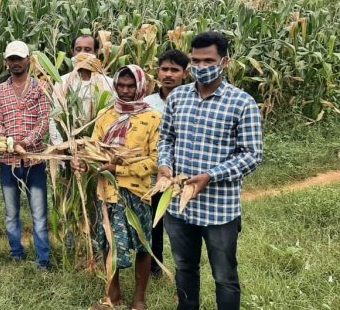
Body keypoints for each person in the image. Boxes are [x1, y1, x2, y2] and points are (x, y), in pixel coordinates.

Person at [159, 31, 263, 310]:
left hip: (220, 210)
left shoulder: (242, 103)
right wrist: (164, 166)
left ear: (224, 62)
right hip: (179, 207)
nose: (201, 67)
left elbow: (252, 155)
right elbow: (166, 139)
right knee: (184, 268)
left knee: (224, 276)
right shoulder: (178, 97)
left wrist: (210, 176)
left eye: (209, 61)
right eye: (196, 60)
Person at [75, 65, 160, 310]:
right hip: (107, 192)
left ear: (141, 87)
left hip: (136, 192)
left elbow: (155, 161)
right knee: (107, 242)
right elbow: (93, 150)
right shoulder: (105, 115)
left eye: (130, 86)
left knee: (142, 244)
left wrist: (118, 169)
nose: (124, 91)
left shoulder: (152, 118)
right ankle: (113, 295)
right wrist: (84, 164)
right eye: (120, 85)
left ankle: (139, 299)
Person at [0, 40, 52, 270]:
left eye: (19, 59)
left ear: (29, 60)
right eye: (11, 59)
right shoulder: (0, 90)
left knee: (39, 214)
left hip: (35, 160)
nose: (15, 63)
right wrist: (3, 141)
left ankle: (43, 261)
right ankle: (16, 254)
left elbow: (44, 121)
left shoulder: (41, 87)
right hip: (8, 163)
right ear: (6, 62)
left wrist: (24, 143)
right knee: (11, 213)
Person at [143, 49, 190, 278]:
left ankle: (185, 271)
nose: (169, 74)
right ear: (157, 71)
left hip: (184, 177)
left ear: (185, 73)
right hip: (155, 176)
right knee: (155, 224)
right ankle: (155, 268)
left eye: (175, 70)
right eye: (165, 69)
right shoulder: (147, 103)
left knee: (182, 227)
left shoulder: (192, 101)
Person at [49, 34, 114, 146]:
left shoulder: (108, 83)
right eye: (78, 49)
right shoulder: (62, 82)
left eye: (87, 50)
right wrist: (60, 146)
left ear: (96, 52)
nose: (82, 53)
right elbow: (55, 117)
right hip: (69, 145)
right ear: (72, 52)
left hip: (99, 148)